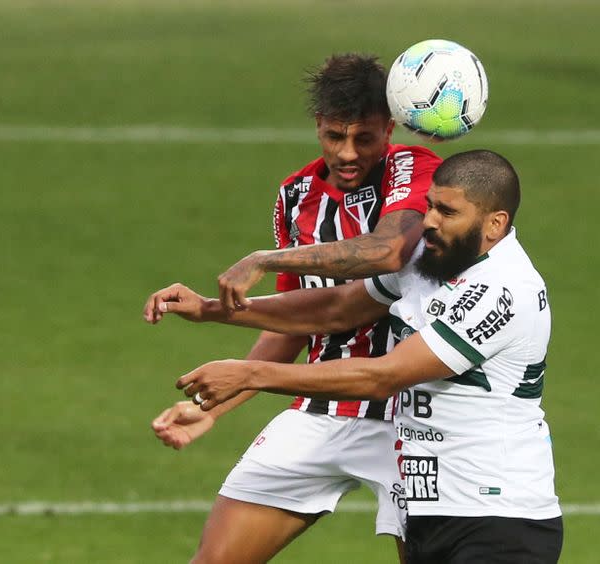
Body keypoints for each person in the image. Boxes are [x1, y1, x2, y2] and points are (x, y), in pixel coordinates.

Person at [146, 150, 564, 563]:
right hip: (433, 512)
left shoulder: (503, 290)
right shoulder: (430, 259)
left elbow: (384, 376)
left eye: (447, 212)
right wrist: (210, 309)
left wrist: (251, 374)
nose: (430, 221)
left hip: (500, 518)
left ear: (495, 224)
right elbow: (334, 309)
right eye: (430, 205)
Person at [149, 53, 442, 563]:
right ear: (318, 126)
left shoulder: (416, 170)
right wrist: (209, 408)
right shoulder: (297, 196)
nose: (347, 153)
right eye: (334, 136)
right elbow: (297, 319)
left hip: (409, 417)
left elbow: (387, 251)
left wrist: (263, 259)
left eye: (365, 138)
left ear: (389, 127)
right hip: (320, 405)